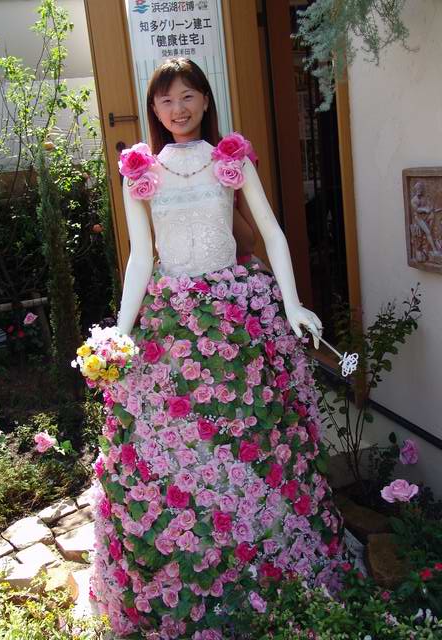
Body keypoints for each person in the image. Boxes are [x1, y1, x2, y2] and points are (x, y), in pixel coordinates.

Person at [89, 58, 343, 639]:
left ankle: (266, 563)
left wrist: (293, 302)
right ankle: (187, 565)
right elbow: (141, 257)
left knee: (252, 428)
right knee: (171, 440)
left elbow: (272, 232)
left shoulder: (231, 158)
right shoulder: (140, 170)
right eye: (165, 100)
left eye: (187, 97)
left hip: (236, 313)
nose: (177, 109)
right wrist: (121, 332)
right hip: (170, 320)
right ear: (154, 110)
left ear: (205, 99)